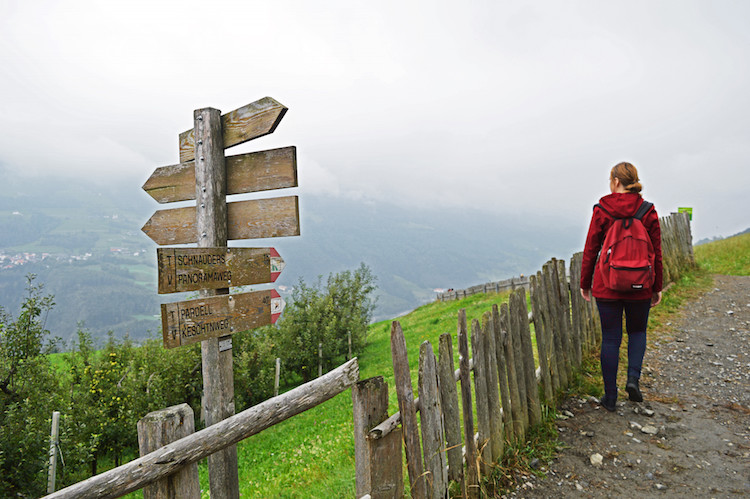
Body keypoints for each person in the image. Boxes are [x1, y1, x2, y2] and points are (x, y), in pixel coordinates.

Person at [580, 162, 663, 412]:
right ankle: (633, 380)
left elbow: (591, 249)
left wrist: (586, 283)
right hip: (641, 285)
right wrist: (656, 287)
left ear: (616, 182)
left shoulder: (602, 209)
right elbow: (656, 252)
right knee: (637, 332)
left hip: (608, 286)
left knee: (611, 339)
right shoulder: (648, 211)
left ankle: (610, 396)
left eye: (610, 180)